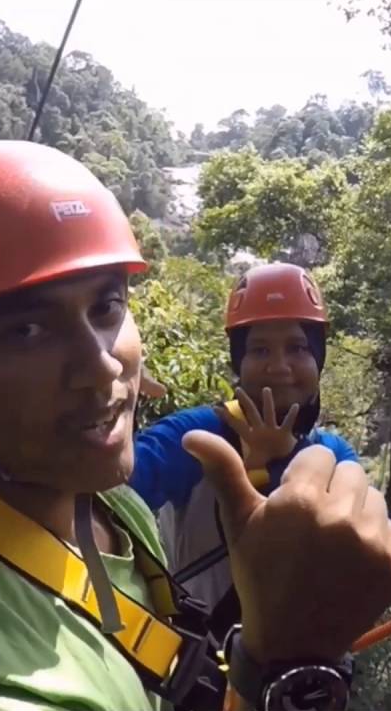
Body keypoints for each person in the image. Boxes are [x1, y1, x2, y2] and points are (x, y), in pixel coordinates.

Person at [0, 140, 391, 711]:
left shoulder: (107, 508)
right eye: (27, 330)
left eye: (106, 308)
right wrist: (282, 660)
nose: (102, 363)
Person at [131, 262, 360, 622]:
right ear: (240, 360)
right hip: (200, 658)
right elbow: (114, 484)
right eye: (260, 350)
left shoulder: (334, 454)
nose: (280, 366)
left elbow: (354, 554)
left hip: (300, 659)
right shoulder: (200, 435)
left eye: (298, 348)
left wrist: (283, 460)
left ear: (318, 356)